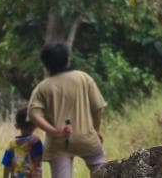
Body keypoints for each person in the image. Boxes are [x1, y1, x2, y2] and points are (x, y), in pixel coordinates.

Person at [28, 43, 107, 178]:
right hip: (86, 137)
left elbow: (34, 114)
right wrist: (96, 130)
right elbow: (97, 107)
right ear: (67, 59)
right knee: (100, 168)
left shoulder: (42, 87)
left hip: (58, 143)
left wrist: (54, 131)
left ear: (45, 64)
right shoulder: (83, 78)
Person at [1, 107, 43, 178]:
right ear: (34, 125)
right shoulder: (36, 142)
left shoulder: (12, 144)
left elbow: (6, 165)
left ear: (17, 126)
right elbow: (38, 163)